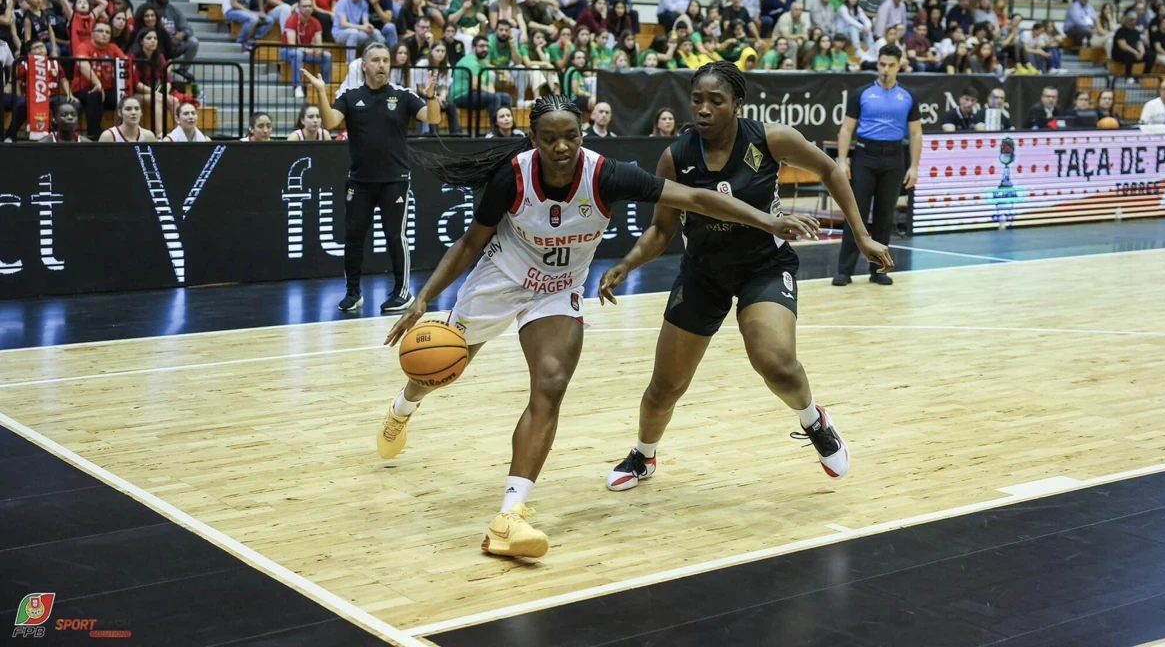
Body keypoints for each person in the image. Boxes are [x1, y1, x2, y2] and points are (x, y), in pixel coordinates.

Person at [377, 92, 820, 559]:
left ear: (582, 134)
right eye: (550, 139)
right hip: (501, 277)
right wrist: (423, 298)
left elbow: (694, 197)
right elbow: (469, 244)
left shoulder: (605, 173)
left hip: (557, 288)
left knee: (550, 383)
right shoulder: (513, 177)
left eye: (571, 136)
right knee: (437, 367)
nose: (562, 147)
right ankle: (404, 407)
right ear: (534, 140)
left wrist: (767, 220)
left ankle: (509, 516)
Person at [600, 61, 891, 494]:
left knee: (774, 362)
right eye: (697, 100)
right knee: (665, 386)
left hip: (764, 267)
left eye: (715, 101)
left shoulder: (770, 138)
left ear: (737, 104)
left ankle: (815, 421)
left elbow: (830, 169)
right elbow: (662, 230)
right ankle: (644, 454)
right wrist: (627, 264)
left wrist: (862, 235)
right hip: (702, 273)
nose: (703, 109)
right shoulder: (676, 156)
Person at [300, 43, 440, 313]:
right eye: (376, 60)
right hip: (360, 180)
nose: (382, 65)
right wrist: (320, 92)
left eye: (386, 60)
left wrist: (431, 96)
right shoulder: (351, 96)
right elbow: (330, 123)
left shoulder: (402, 95)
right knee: (353, 237)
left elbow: (431, 118)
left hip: (395, 179)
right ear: (364, 65)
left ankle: (402, 293)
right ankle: (353, 293)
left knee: (395, 236)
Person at [833, 44, 920, 286]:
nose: (885, 69)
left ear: (899, 66)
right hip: (865, 156)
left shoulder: (908, 97)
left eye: (891, 65)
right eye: (882, 64)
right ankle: (844, 270)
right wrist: (842, 161)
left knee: (885, 215)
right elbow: (847, 129)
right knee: (856, 213)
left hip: (894, 158)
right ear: (877, 64)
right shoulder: (861, 93)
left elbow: (915, 134)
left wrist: (914, 166)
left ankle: (879, 270)